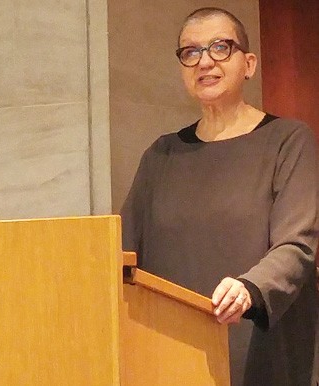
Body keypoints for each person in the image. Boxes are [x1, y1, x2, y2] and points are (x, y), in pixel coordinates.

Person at [121, 7, 318, 386]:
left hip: (262, 350)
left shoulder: (288, 141)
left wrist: (251, 288)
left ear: (249, 64)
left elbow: (298, 246)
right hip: (174, 358)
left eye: (220, 48)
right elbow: (123, 254)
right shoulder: (161, 156)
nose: (204, 61)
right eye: (190, 52)